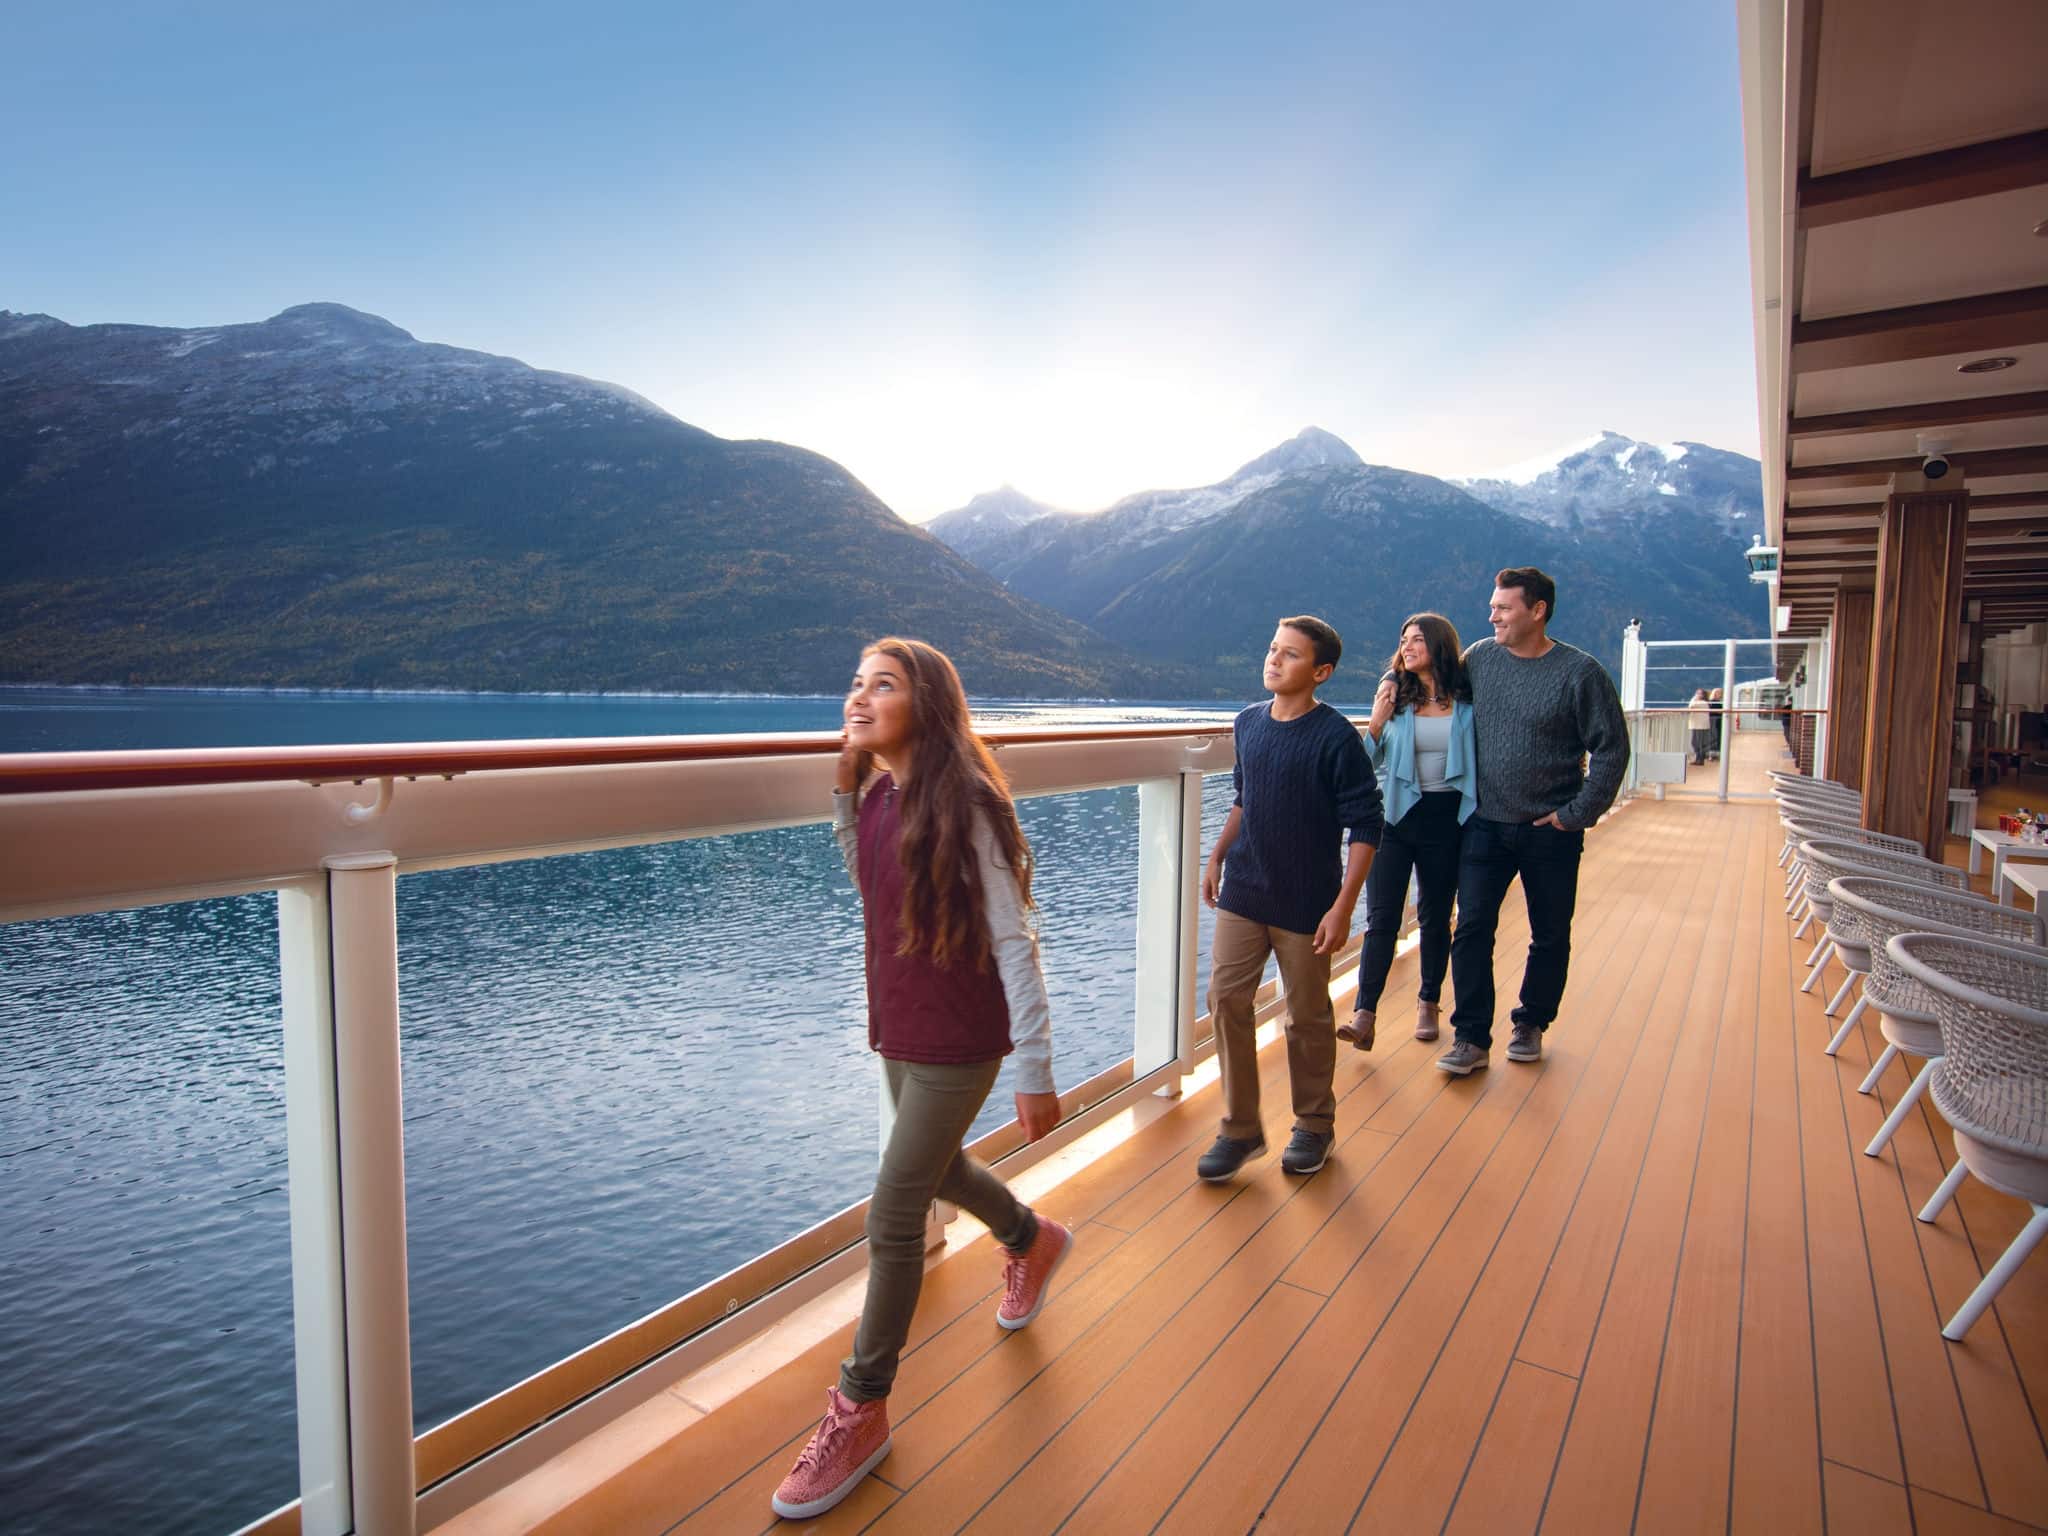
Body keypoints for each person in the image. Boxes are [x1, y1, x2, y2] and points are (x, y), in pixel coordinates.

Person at [772, 637, 1071, 1521]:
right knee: (936, 1170)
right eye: (855, 682)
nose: (859, 697)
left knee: (893, 1211)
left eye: (883, 686)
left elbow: (1017, 939)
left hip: (963, 1035)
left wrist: (1035, 1068)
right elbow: (866, 878)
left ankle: (859, 1408)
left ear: (928, 706)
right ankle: (1030, 1236)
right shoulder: (876, 794)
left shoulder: (966, 802)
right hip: (898, 1022)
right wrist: (840, 785)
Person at [1197, 616, 1383, 1181]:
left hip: (1307, 902)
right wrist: (1217, 854)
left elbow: (1367, 824)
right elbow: (1244, 798)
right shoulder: (1249, 722)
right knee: (1226, 1000)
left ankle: (1314, 1124)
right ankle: (1241, 1128)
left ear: (1320, 672)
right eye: (1273, 649)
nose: (1274, 660)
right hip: (1245, 891)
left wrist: (1344, 906)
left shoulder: (1335, 738)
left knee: (1306, 1017)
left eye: (1291, 655)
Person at [1438, 568, 1629, 1076]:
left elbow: (1611, 748)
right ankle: (1470, 1036)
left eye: (1503, 607)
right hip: (1485, 824)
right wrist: (1391, 686)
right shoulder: (1479, 658)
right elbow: (1434, 686)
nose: (1492, 615)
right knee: (1472, 927)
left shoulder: (1579, 673)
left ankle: (1531, 1022)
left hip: (1550, 830)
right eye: (1493, 606)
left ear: (1537, 610)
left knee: (1549, 933)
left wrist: (1576, 815)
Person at [1337, 613, 1476, 1050]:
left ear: (1439, 645)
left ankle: (1428, 1002)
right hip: (1396, 819)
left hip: (1447, 819)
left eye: (1417, 639)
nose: (1407, 645)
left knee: (1436, 918)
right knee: (1382, 920)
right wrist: (1375, 722)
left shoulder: (1468, 700)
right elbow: (1364, 764)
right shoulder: (1394, 697)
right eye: (1404, 639)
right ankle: (1364, 1013)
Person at [1687, 688, 1712, 767]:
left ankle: (1700, 759)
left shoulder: (1703, 703)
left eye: (1699, 693)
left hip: (1700, 725)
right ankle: (1698, 758)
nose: (1697, 695)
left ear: (1703, 695)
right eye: (1696, 693)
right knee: (1695, 742)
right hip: (1697, 724)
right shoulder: (1701, 703)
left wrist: (1694, 698)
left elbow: (1691, 706)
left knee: (1698, 743)